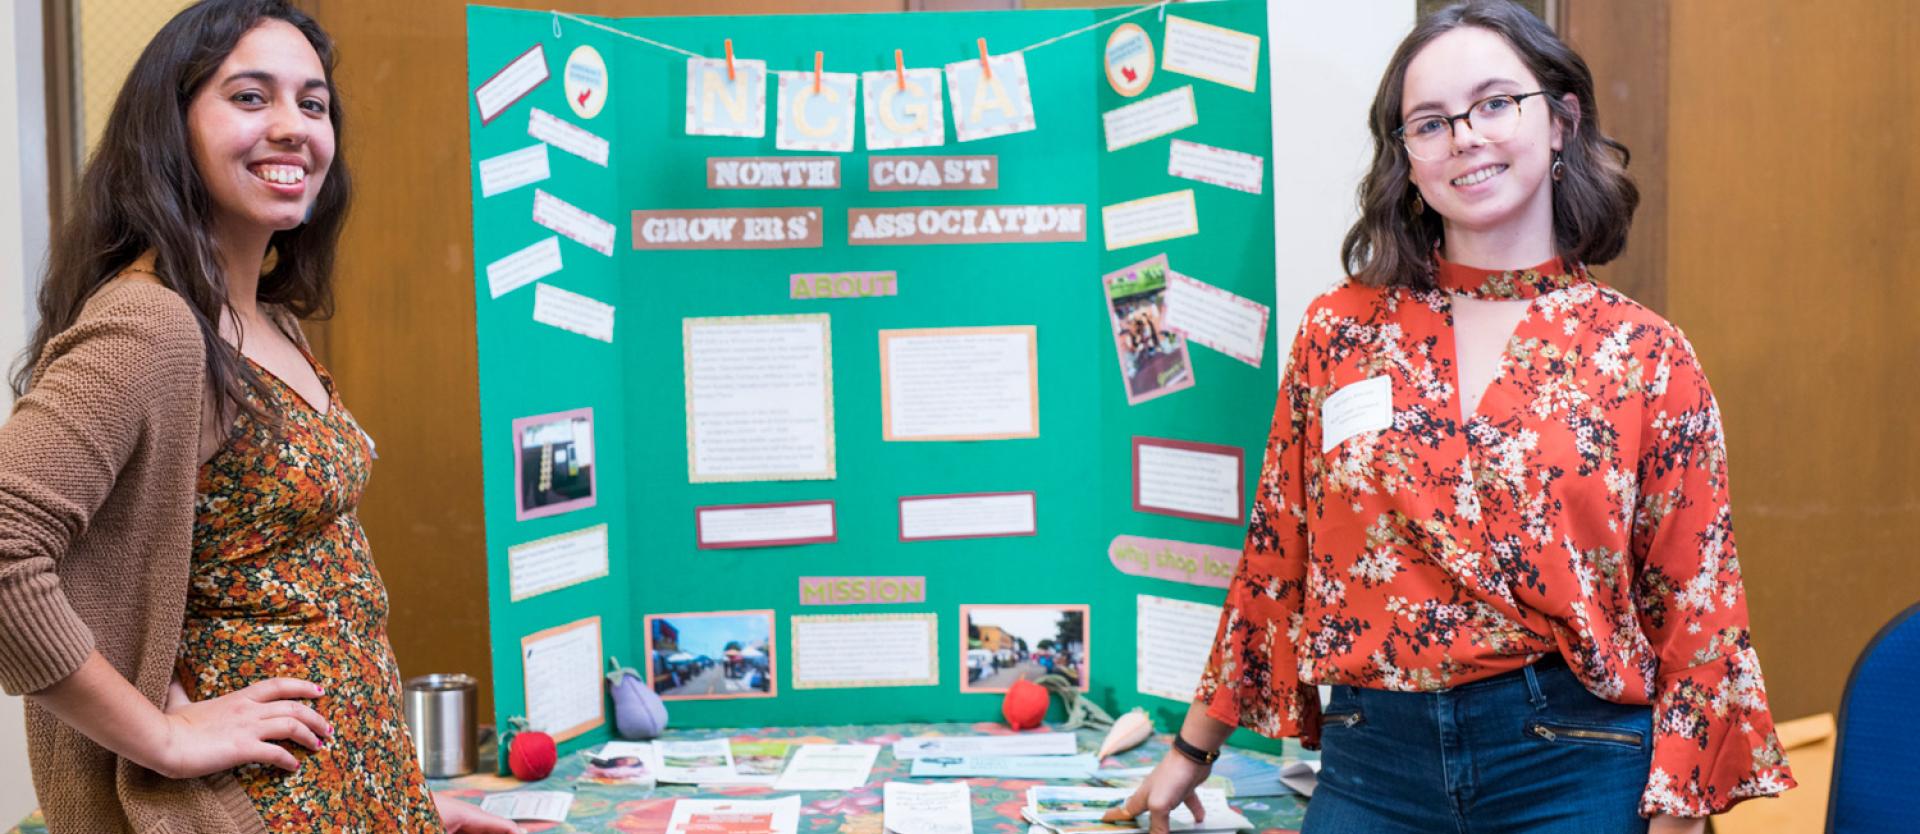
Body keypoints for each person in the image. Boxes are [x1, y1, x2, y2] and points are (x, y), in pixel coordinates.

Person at [1108, 3, 1794, 833]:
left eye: (1495, 103)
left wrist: (1679, 817)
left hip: (1573, 762)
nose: (1466, 136)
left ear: (1559, 120)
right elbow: (1275, 556)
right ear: (1408, 159)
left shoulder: (1645, 355)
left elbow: (1697, 608)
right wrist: (1193, 751)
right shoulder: (1341, 333)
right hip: (1373, 765)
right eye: (1430, 122)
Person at [0, 2, 519, 831]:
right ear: (171, 127)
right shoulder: (151, 326)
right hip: (246, 807)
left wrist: (400, 798)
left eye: (312, 105)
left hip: (350, 798)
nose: (292, 127)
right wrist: (161, 736)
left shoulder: (269, 319)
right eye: (250, 97)